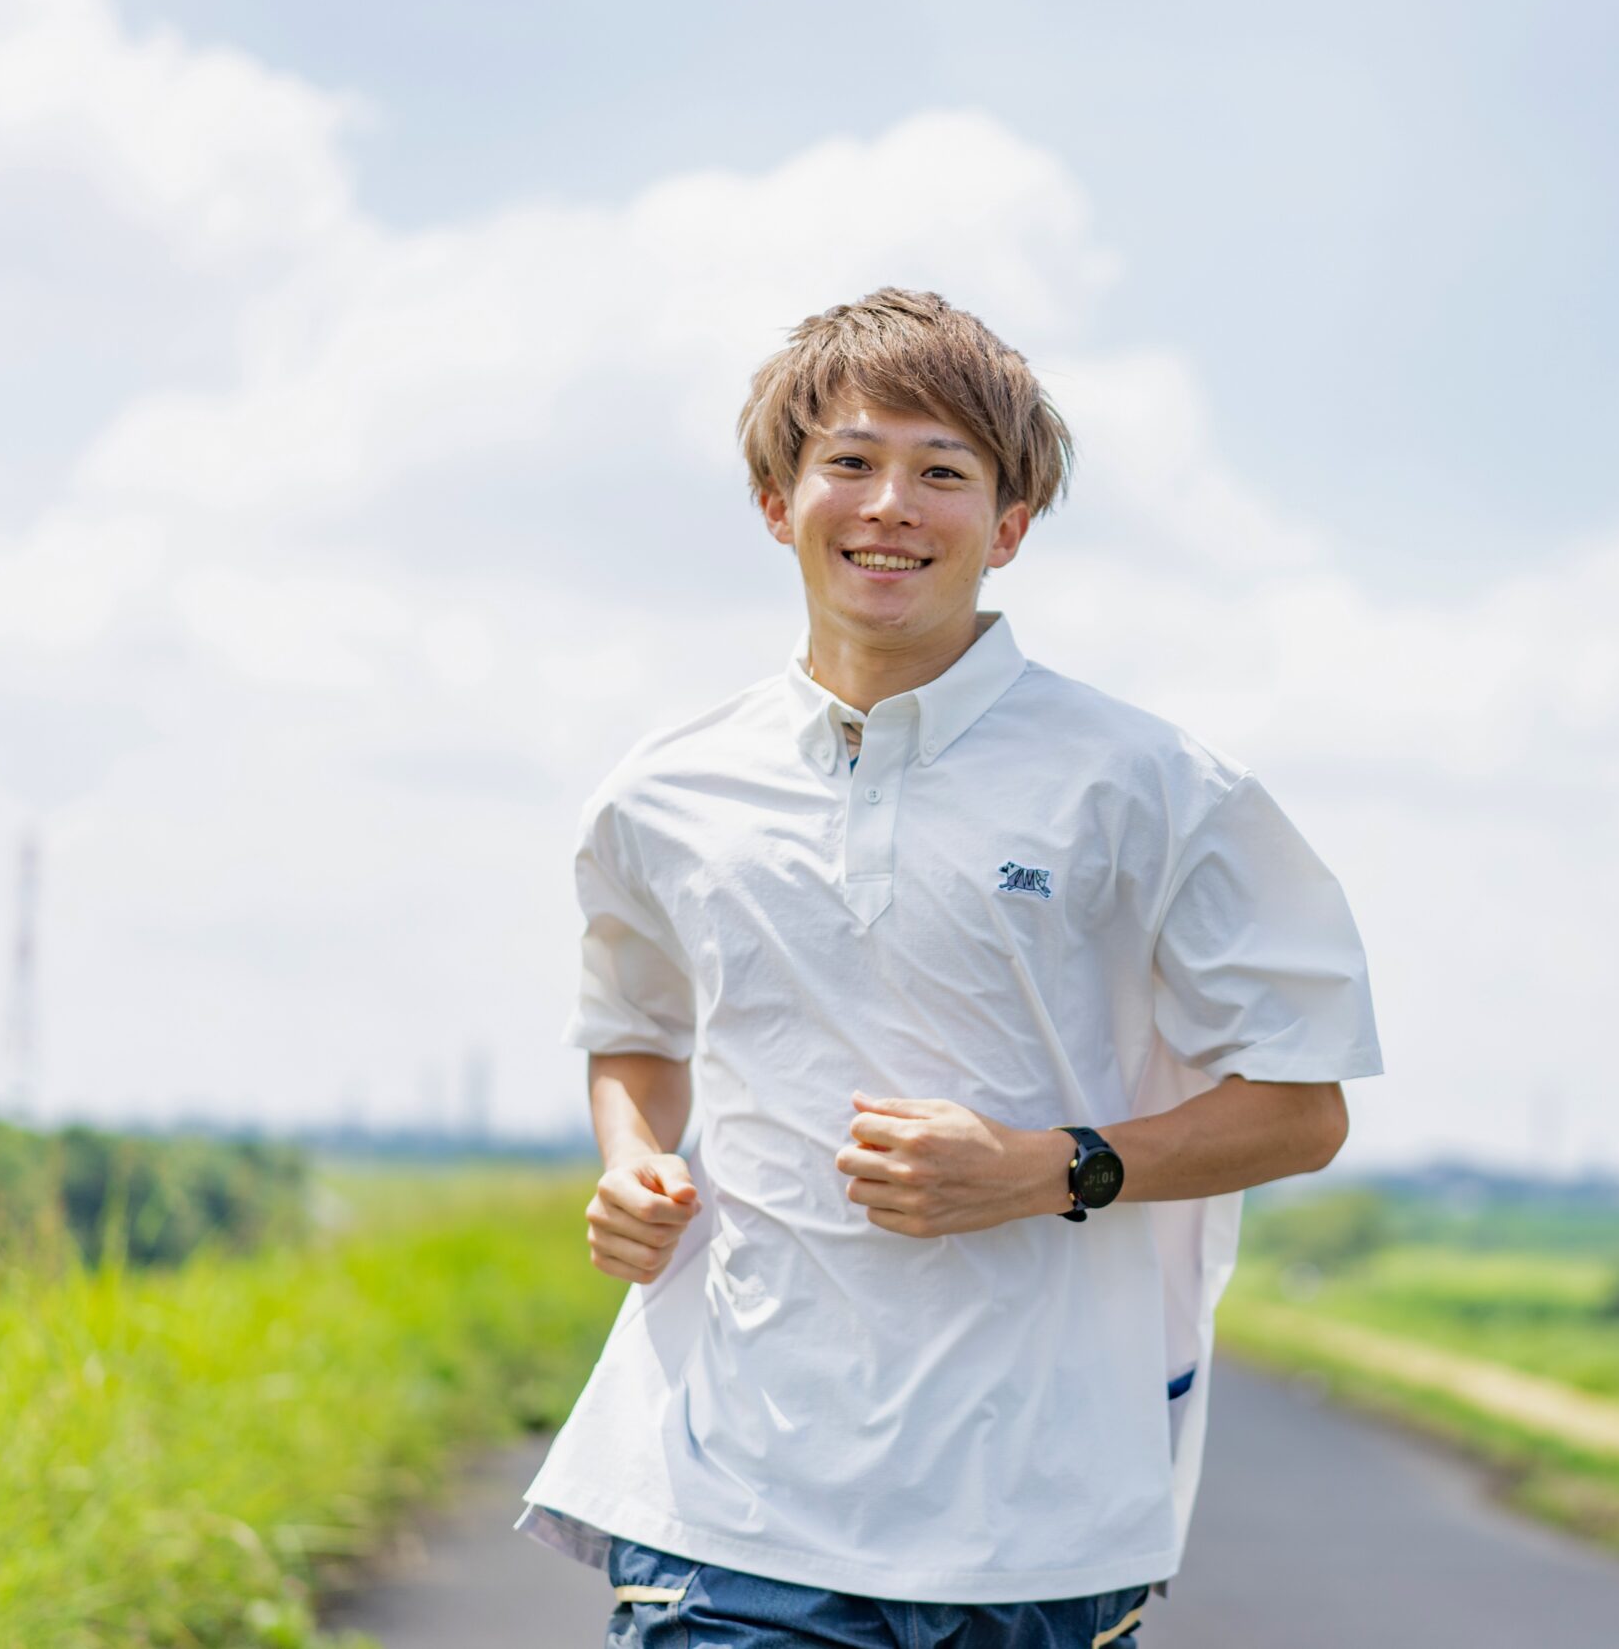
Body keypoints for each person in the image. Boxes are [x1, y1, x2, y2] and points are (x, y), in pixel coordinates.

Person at [515, 287, 1383, 1649]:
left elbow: (1302, 1108)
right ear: (774, 498)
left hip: (1033, 1511)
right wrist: (631, 1159)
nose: (890, 507)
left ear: (1011, 523)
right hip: (730, 1495)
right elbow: (634, 1029)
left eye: (944, 474)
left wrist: (1048, 1165)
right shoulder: (664, 790)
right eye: (850, 462)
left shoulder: (1154, 787)